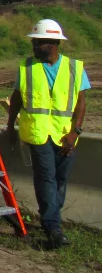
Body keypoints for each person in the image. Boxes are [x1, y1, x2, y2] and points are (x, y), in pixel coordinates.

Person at [7, 19, 90, 249]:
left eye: (39, 43)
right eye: (34, 42)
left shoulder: (75, 68)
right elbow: (16, 99)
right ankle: (53, 228)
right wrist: (10, 125)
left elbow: (81, 102)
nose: (34, 46)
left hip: (65, 135)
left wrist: (76, 131)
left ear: (53, 43)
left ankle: (52, 219)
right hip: (38, 133)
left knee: (60, 180)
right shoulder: (26, 67)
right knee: (45, 178)